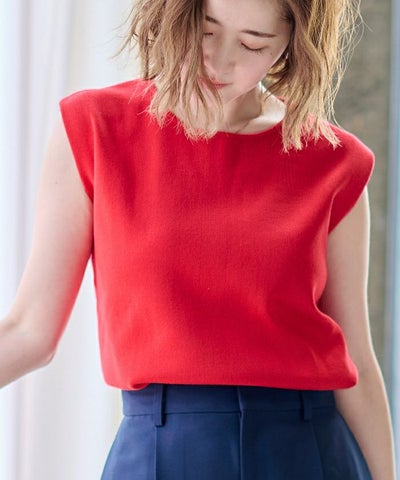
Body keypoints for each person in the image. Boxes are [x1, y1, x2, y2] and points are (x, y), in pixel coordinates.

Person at [0, 0, 396, 478]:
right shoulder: (96, 127)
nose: (220, 61)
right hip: (159, 450)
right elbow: (30, 332)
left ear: (293, 44)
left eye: (253, 44)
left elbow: (356, 359)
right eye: (206, 30)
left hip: (308, 451)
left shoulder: (334, 161)